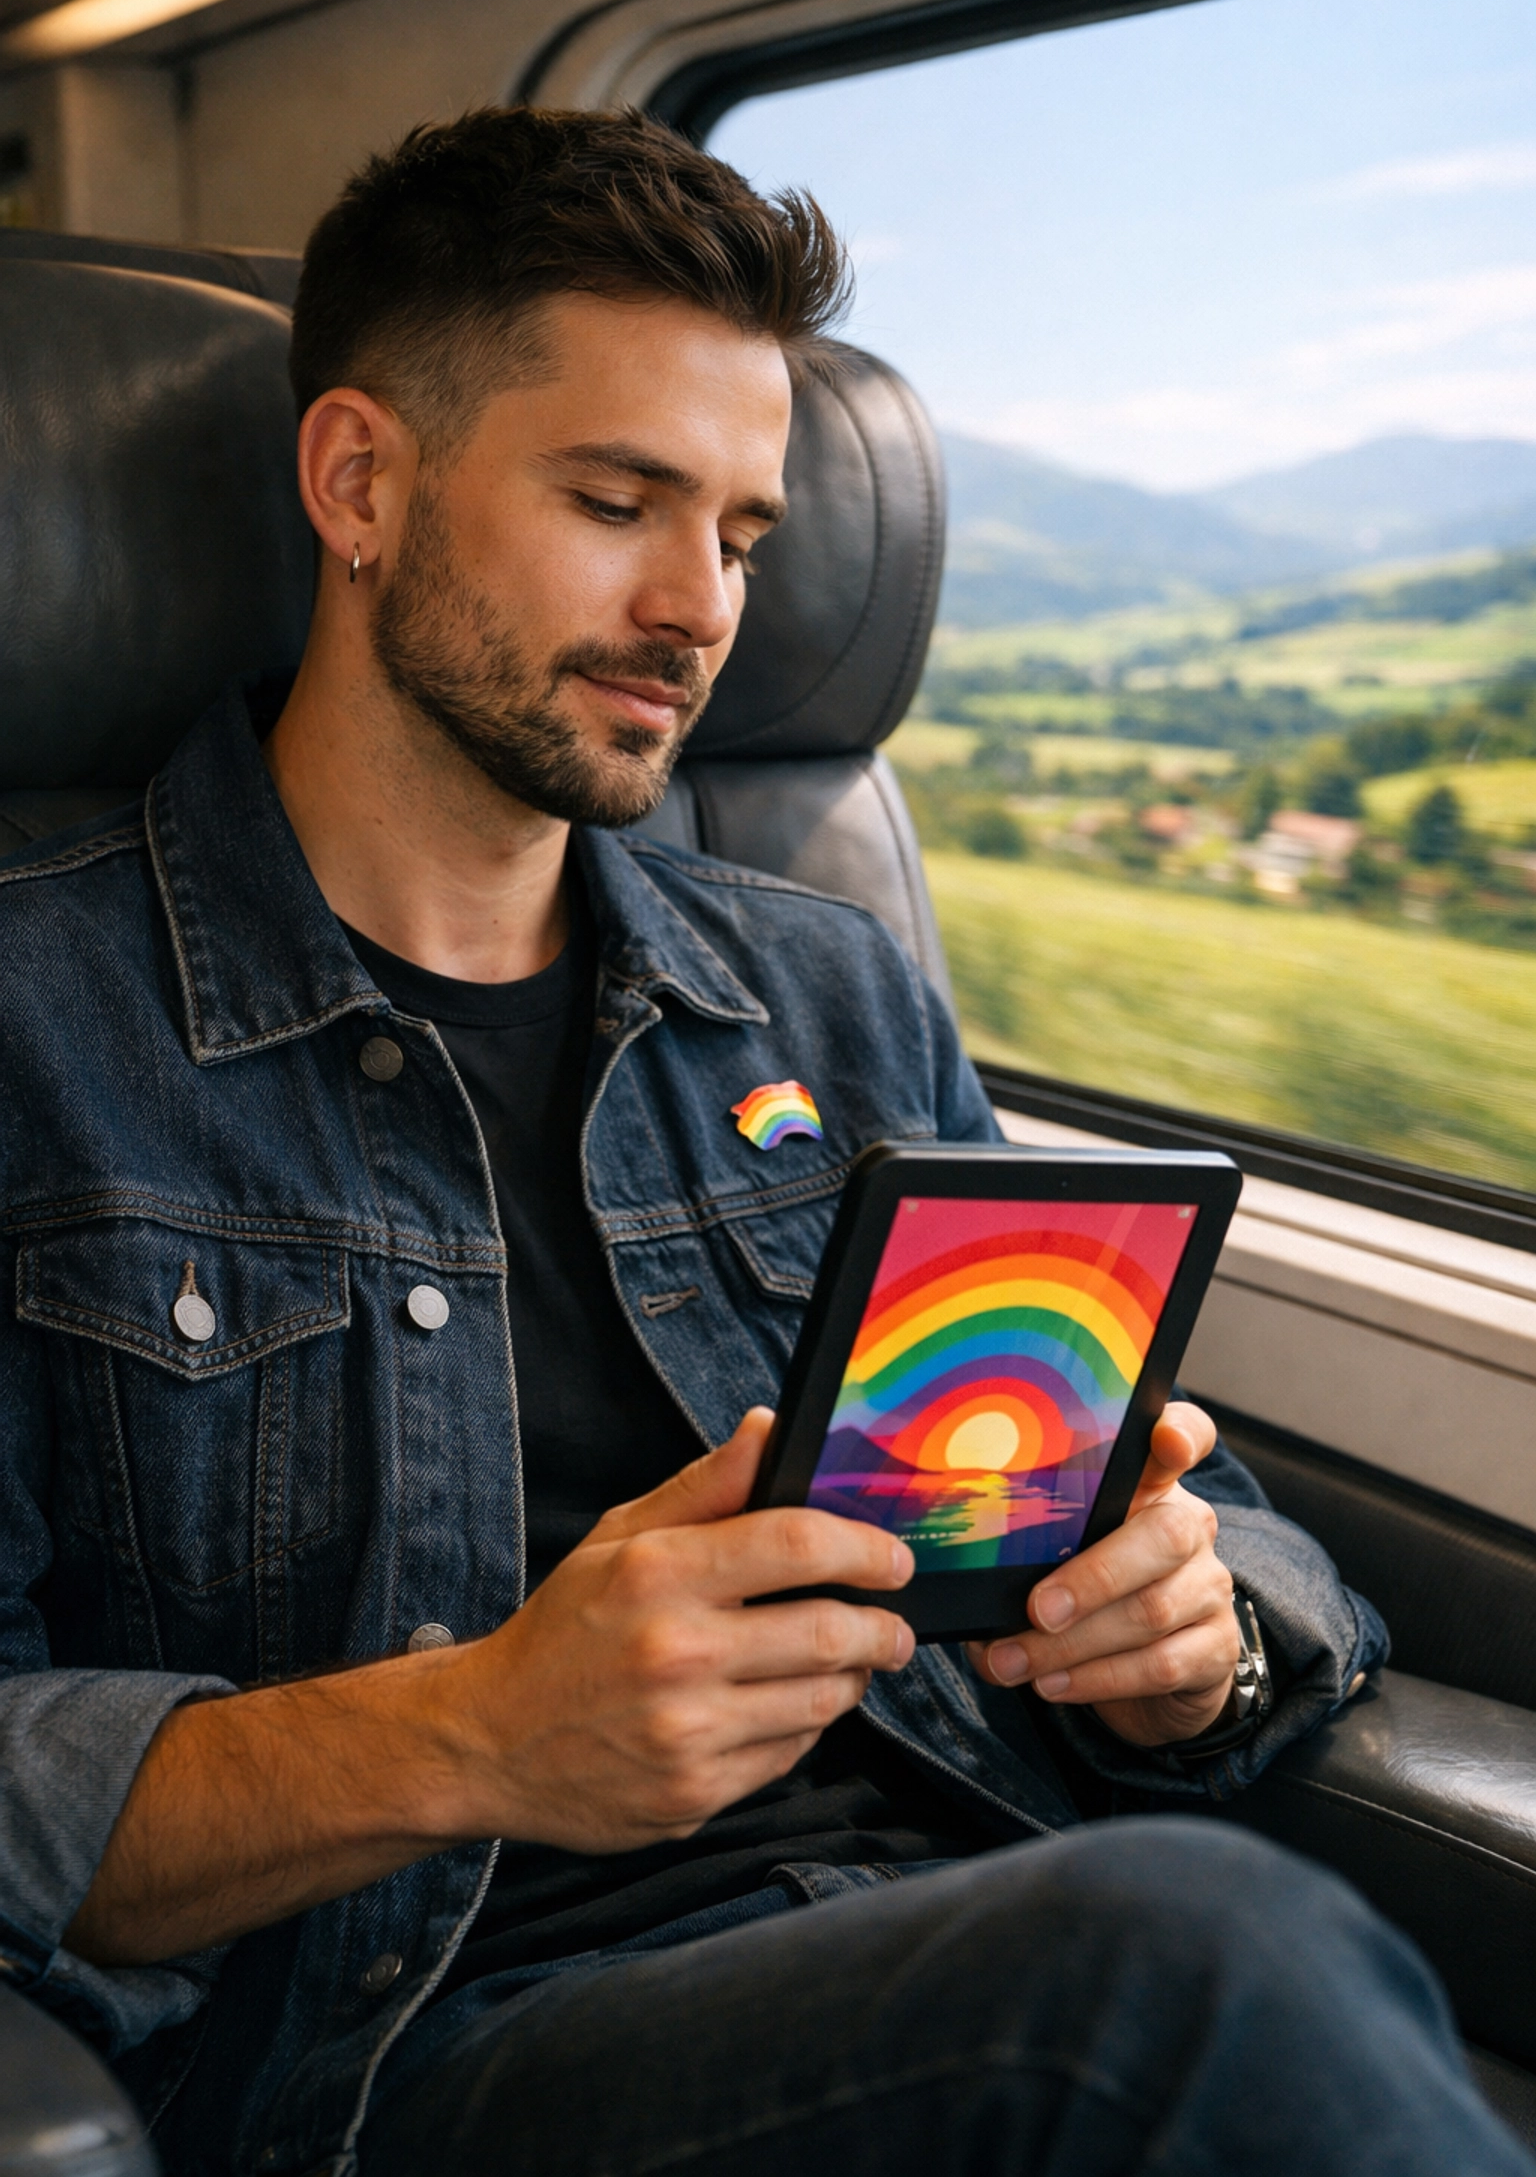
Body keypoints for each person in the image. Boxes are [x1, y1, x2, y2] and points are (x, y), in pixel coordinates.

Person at [0, 106, 1524, 2177]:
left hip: (966, 1897)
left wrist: (1200, 1626)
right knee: (1183, 1965)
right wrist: (472, 1732)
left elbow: (1214, 1510)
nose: (698, 608)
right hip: (430, 2054)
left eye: (741, 534)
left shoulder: (826, 995)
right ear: (361, 482)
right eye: (619, 501)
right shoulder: (38, 1026)